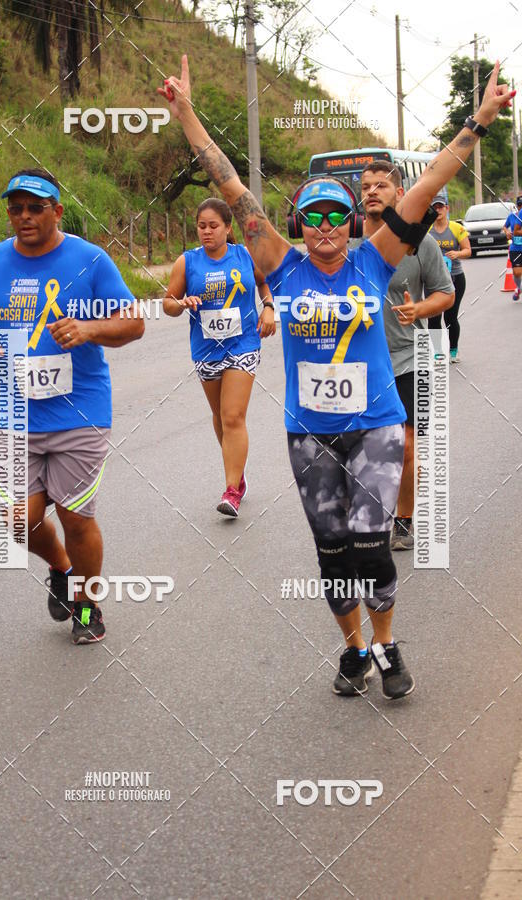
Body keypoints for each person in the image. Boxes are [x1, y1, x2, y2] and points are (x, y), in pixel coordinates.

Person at [159, 55, 513, 699]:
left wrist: (480, 119)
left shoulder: (376, 260)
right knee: (332, 553)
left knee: (372, 545)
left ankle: (386, 643)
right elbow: (230, 182)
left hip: (376, 426)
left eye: (336, 217)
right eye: (313, 217)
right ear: (299, 225)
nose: (325, 228)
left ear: (352, 223)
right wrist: (185, 115)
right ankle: (353, 648)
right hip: (310, 435)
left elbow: (430, 180)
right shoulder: (281, 265)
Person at [0, 168, 144, 644]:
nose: (24, 216)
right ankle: (62, 569)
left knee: (75, 517)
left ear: (57, 211)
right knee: (18, 520)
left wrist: (89, 330)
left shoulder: (91, 260)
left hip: (78, 412)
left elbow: (133, 323)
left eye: (35, 207)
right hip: (16, 415)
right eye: (16, 207)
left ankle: (87, 605)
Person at [354, 161, 454, 551]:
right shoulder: (346, 242)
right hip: (360, 363)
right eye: (366, 186)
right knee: (367, 447)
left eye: (381, 185)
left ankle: (405, 519)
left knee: (407, 446)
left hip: (410, 356)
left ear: (399, 193)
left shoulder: (419, 241)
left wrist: (419, 311)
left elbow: (445, 293)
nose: (372, 192)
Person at [163, 196, 276, 516]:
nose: (207, 232)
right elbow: (168, 304)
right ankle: (238, 476)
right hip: (206, 349)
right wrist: (181, 304)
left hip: (243, 344)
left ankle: (231, 492)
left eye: (214, 226)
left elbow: (265, 283)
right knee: (219, 416)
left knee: (232, 416)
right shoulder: (187, 262)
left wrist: (268, 307)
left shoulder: (244, 255)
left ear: (228, 228)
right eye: (201, 227)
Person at [427, 191, 471, 362]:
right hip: (432, 280)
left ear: (447, 209)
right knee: (433, 317)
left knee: (450, 317)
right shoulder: (426, 229)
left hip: (455, 277)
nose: (438, 210)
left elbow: (468, 251)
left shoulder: (456, 228)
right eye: (434, 207)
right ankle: (438, 351)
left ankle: (453, 350)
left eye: (440, 207)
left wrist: (457, 254)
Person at [503, 195, 522, 300]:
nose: (521, 208)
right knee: (517, 272)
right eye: (519, 205)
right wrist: (507, 232)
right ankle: (519, 288)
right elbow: (505, 226)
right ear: (516, 206)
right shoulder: (512, 216)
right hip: (516, 248)